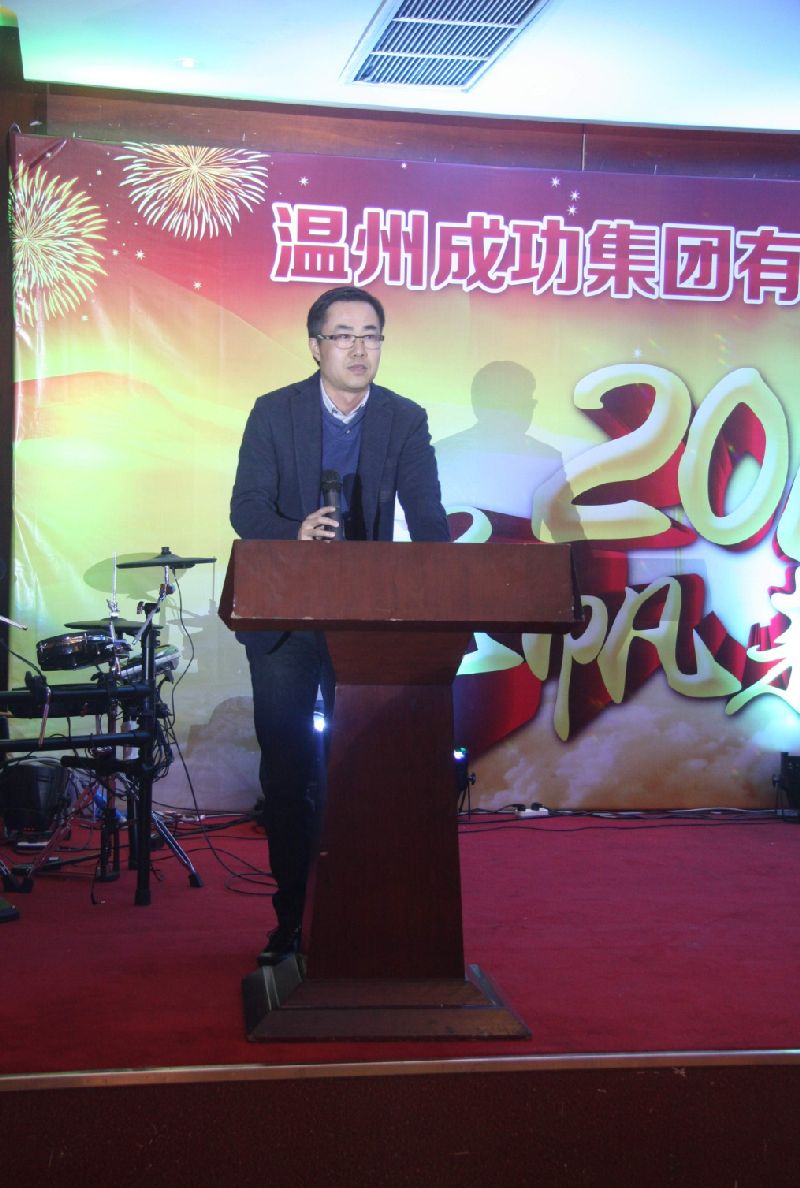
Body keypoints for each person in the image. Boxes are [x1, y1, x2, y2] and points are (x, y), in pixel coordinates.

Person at [230, 285, 450, 964]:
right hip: (286, 620)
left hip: (368, 623)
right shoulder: (274, 412)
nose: (359, 349)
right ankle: (292, 919)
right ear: (315, 346)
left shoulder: (404, 419)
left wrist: (444, 592)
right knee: (288, 772)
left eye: (371, 335)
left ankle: (367, 917)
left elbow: (428, 517)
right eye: (344, 335)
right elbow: (245, 509)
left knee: (365, 773)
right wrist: (296, 531)